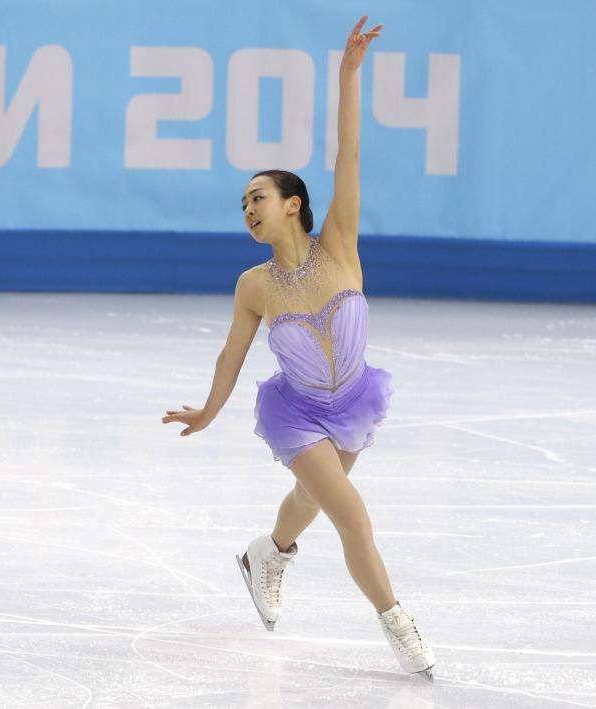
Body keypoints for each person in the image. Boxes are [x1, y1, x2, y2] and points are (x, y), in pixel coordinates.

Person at [161, 16, 436, 680]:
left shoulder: (339, 241)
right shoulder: (254, 285)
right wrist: (207, 409)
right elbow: (232, 355)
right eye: (243, 203)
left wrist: (346, 75)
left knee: (312, 500)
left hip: (355, 400)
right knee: (349, 511)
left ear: (293, 204)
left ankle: (267, 553)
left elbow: (349, 154)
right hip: (299, 413)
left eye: (258, 197)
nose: (248, 208)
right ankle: (397, 621)